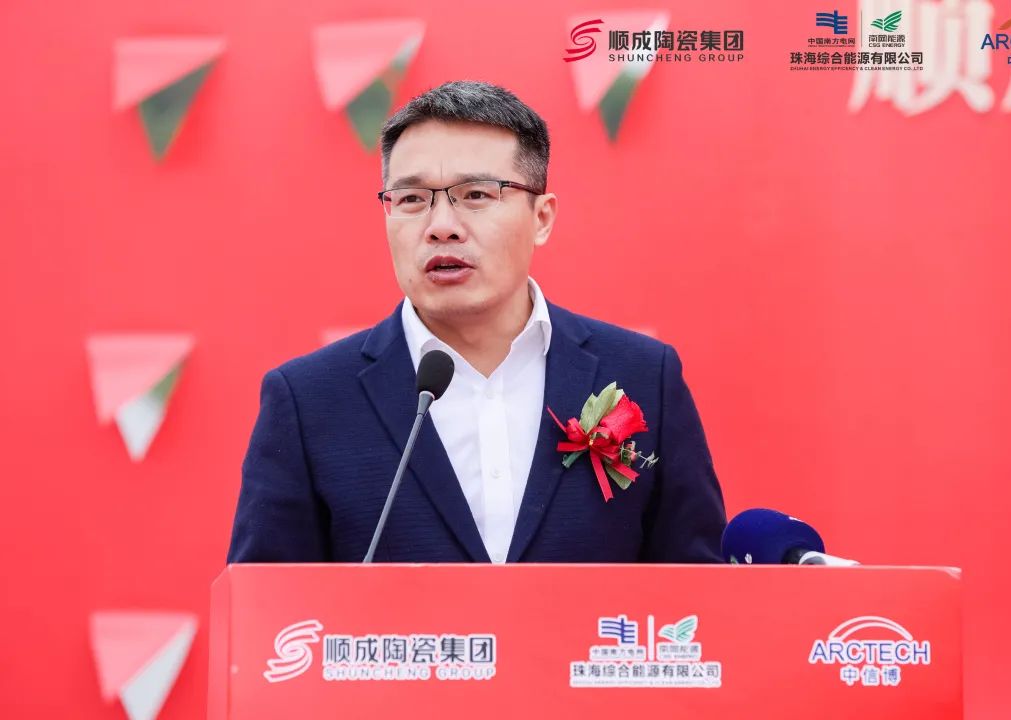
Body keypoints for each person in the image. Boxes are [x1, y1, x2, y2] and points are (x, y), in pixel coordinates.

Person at [226, 80, 726, 564]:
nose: (441, 227)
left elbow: (699, 595)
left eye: (477, 195)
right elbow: (266, 608)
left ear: (542, 218)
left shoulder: (644, 376)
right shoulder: (307, 400)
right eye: (411, 199)